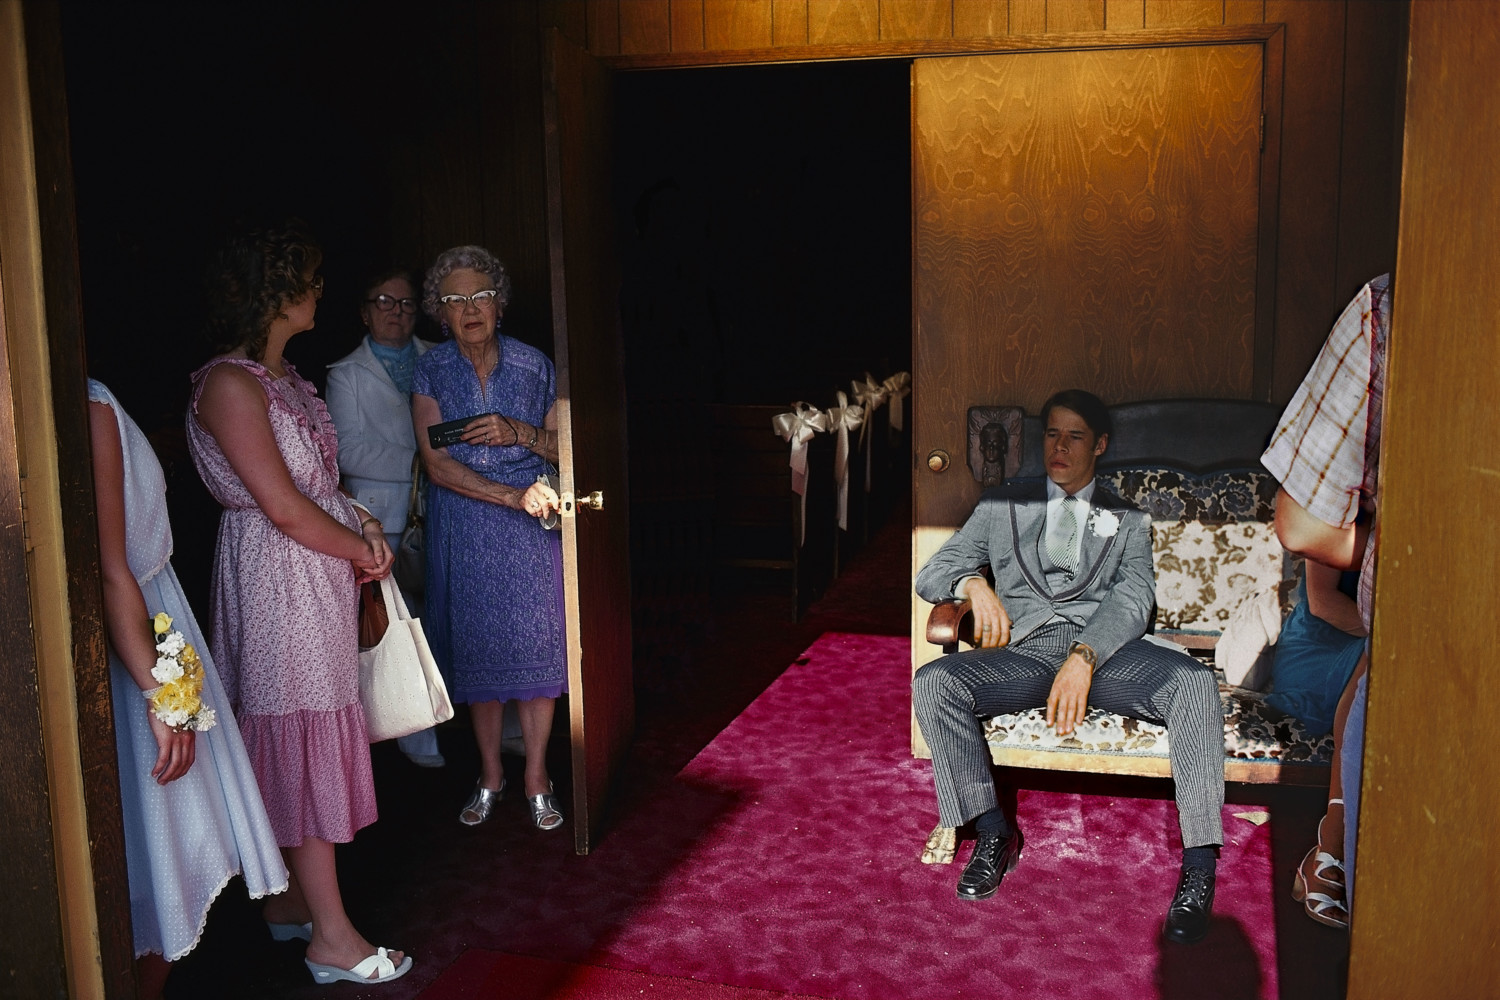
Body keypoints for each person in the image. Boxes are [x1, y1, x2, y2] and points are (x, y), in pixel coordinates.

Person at [913, 389, 1225, 944]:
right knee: (935, 683)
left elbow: (1134, 598)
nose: (1059, 447)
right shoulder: (1002, 505)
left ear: (1099, 445)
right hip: (1027, 654)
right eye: (1052, 434)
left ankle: (1199, 867)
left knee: (1195, 684)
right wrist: (973, 584)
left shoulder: (1126, 518)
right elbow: (933, 572)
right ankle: (993, 832)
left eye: (1075, 436)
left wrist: (1085, 656)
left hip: (1106, 656)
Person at [186, 222, 412, 985]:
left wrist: (361, 524)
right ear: (274, 294)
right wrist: (360, 550)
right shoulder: (230, 384)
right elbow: (281, 507)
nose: (319, 291)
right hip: (278, 578)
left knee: (303, 730)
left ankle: (288, 905)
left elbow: (315, 489)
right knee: (298, 735)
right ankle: (333, 941)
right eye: (307, 281)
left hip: (312, 573)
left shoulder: (281, 377)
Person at [88, 379, 288, 1000]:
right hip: (139, 627)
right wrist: (165, 696)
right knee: (161, 842)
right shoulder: (90, 408)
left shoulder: (93, 400)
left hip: (150, 615)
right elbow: (112, 569)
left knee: (160, 846)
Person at [411, 244, 568, 830]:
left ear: (500, 304)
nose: (470, 308)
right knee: (479, 652)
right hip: (468, 523)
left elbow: (565, 448)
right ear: (441, 313)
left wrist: (518, 432)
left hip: (533, 528)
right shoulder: (430, 371)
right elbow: (437, 464)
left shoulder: (535, 366)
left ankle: (536, 776)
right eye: (456, 300)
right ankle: (490, 773)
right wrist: (509, 496)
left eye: (481, 296)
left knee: (537, 646)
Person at [1261, 273, 1390, 930]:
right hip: (1321, 643)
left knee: (1371, 663)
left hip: (1357, 634)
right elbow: (1324, 605)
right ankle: (1333, 850)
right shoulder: (1340, 522)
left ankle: (1330, 852)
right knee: (1374, 665)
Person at [326, 266, 443, 768]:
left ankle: (475, 723)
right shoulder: (345, 373)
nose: (396, 311)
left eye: (406, 302)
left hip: (444, 505)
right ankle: (417, 736)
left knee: (449, 615)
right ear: (364, 312)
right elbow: (347, 452)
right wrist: (425, 461)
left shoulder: (438, 357)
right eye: (384, 301)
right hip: (383, 516)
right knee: (401, 624)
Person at [1263, 561, 1365, 738]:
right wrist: (1394, 640)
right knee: (1376, 661)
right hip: (1321, 639)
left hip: (1384, 638)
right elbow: (1321, 602)